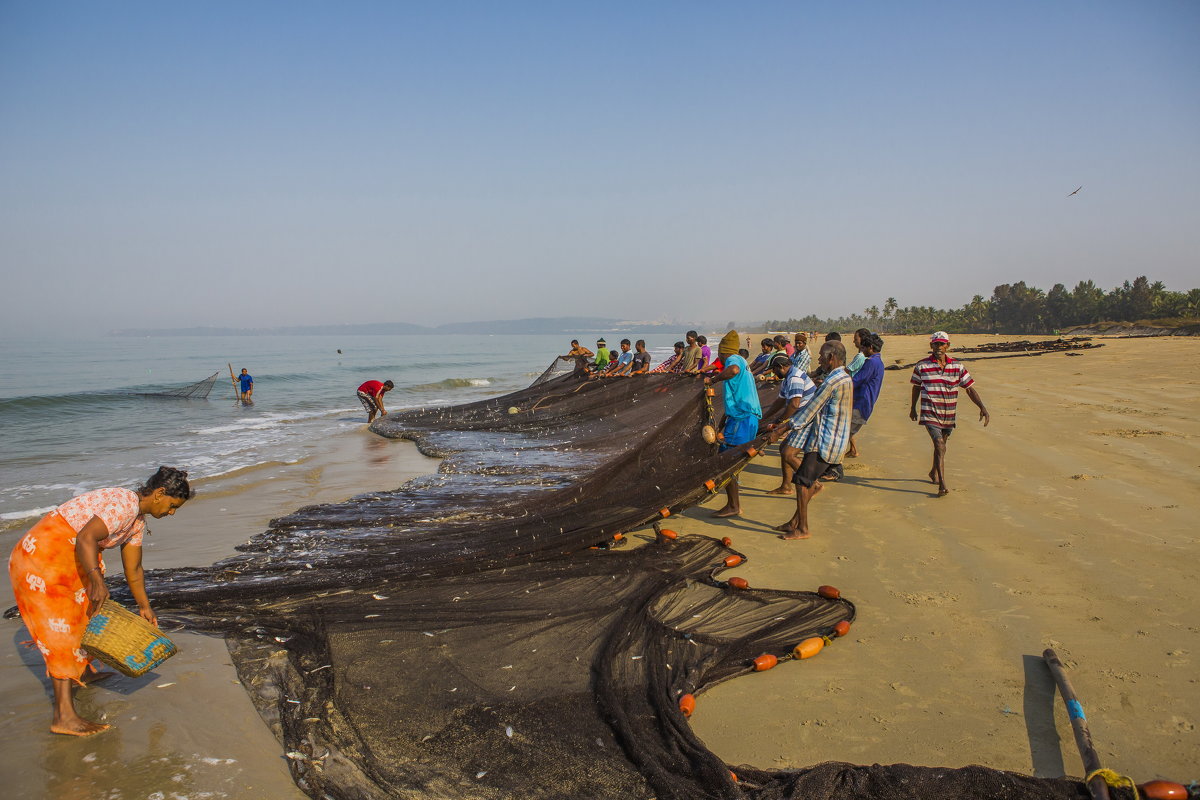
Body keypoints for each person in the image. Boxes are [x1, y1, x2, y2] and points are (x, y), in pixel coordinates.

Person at [8, 467, 193, 736]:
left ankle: (83, 673)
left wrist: (144, 606)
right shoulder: (123, 505)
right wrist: (97, 580)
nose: (171, 512)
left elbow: (134, 570)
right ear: (159, 493)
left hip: (72, 559)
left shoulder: (137, 521)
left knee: (86, 614)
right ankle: (64, 717)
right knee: (61, 631)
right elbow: (85, 537)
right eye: (172, 505)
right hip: (43, 558)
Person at [766, 341, 853, 539]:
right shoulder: (842, 377)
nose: (819, 359)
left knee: (803, 482)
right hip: (832, 438)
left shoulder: (831, 381)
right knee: (804, 480)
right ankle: (795, 522)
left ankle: (802, 529)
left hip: (827, 440)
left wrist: (780, 430)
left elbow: (808, 412)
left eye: (822, 355)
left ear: (832, 358)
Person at [910, 331, 990, 496]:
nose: (938, 347)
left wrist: (982, 407)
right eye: (935, 344)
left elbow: (969, 388)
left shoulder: (957, 366)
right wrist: (913, 408)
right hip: (930, 412)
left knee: (941, 446)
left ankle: (933, 471)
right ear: (931, 345)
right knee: (939, 445)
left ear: (948, 346)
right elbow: (916, 387)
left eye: (942, 344)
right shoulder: (922, 366)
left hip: (949, 414)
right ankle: (942, 485)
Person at [703, 331, 761, 518]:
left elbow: (732, 371)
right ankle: (733, 503)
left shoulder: (733, 360)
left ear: (723, 352)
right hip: (744, 416)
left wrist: (714, 379)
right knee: (732, 458)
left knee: (728, 459)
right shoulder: (743, 361)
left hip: (743, 417)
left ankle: (733, 505)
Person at [759, 353, 816, 494]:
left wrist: (779, 424)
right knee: (783, 448)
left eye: (774, 370)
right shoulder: (788, 377)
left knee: (788, 454)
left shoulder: (794, 378)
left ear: (781, 367)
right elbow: (780, 401)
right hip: (802, 416)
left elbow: (794, 405)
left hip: (807, 418)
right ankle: (786, 486)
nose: (774, 373)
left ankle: (814, 483)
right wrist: (765, 417)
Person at [846, 334, 885, 459]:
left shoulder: (871, 363)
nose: (862, 350)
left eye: (864, 348)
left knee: (842, 434)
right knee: (846, 432)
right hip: (864, 402)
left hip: (861, 403)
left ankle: (835, 467)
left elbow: (856, 381)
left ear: (871, 347)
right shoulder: (878, 362)